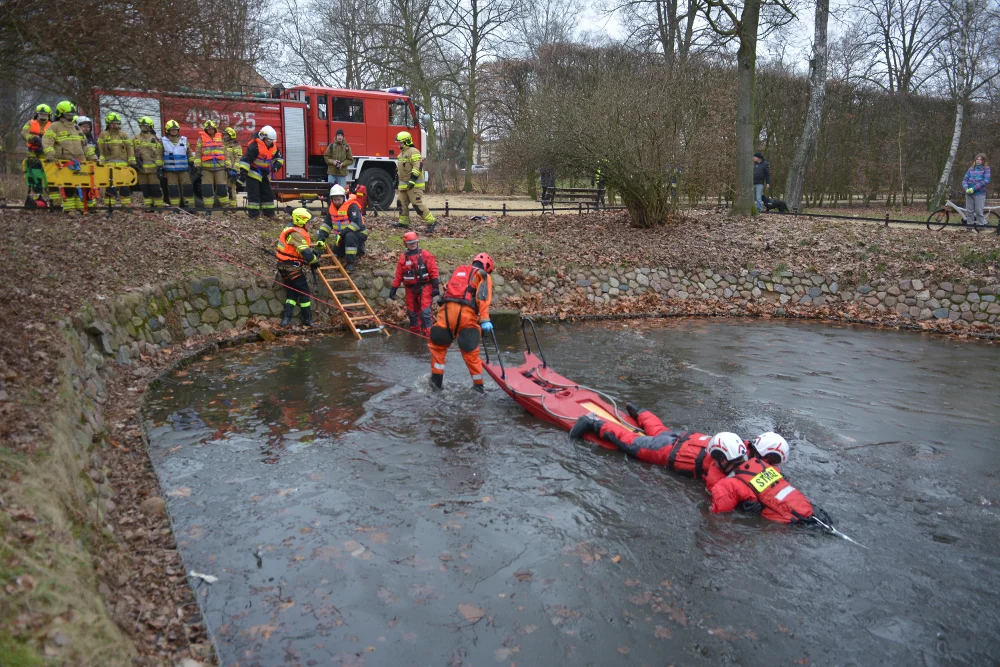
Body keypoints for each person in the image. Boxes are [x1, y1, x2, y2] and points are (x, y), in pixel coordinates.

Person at [570, 406, 727, 489]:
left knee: (661, 432)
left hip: (684, 439)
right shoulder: (726, 469)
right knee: (630, 442)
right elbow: (717, 489)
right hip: (668, 450)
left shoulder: (742, 446)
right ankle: (593, 422)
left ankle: (641, 412)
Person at [705, 436, 824, 525]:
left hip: (789, 523)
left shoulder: (725, 484)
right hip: (812, 511)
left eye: (715, 460)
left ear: (723, 460)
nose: (714, 463)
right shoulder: (764, 466)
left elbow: (717, 516)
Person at [428, 253, 494, 392]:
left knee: (438, 350)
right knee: (471, 355)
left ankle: (436, 385)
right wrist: (485, 319)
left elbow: (447, 289)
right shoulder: (483, 275)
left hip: (445, 315)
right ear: (487, 267)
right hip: (465, 317)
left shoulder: (460, 271)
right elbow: (482, 297)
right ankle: (479, 388)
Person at [42, 100, 97, 214]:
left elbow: (85, 145)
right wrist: (50, 154)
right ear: (60, 114)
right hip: (64, 162)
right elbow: (47, 142)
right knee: (69, 187)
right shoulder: (55, 127)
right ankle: (69, 209)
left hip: (81, 162)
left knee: (82, 186)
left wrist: (93, 157)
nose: (70, 117)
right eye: (68, 115)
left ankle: (82, 208)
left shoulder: (77, 128)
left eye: (72, 115)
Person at [276, 207, 321, 327]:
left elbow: (296, 250)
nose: (310, 225)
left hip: (284, 266)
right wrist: (315, 260)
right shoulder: (297, 234)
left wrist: (314, 252)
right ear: (301, 221)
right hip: (292, 268)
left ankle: (286, 320)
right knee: (304, 292)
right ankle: (308, 319)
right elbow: (306, 254)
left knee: (292, 293)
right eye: (309, 222)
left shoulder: (291, 229)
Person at [389, 231, 440, 336]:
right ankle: (415, 335)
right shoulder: (403, 258)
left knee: (425, 313)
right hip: (410, 289)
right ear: (405, 244)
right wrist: (393, 289)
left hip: (425, 287)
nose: (412, 244)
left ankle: (428, 336)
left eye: (414, 242)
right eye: (410, 243)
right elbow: (399, 275)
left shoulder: (425, 255)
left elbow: (433, 271)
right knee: (412, 313)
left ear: (417, 242)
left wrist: (435, 286)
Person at [317, 184, 368, 271]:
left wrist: (342, 234)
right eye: (334, 200)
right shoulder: (332, 209)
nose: (336, 202)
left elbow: (356, 225)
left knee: (350, 237)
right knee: (336, 252)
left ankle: (350, 263)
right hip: (342, 236)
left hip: (359, 233)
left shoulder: (352, 207)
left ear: (344, 197)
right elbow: (326, 225)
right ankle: (359, 249)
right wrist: (321, 238)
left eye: (338, 199)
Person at [393, 131, 435, 232]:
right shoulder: (401, 154)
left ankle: (431, 222)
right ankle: (403, 222)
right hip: (404, 186)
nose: (399, 144)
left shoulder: (414, 151)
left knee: (417, 204)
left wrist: (412, 180)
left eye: (400, 142)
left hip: (414, 185)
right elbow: (400, 170)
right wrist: (396, 180)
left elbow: (418, 166)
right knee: (401, 203)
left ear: (406, 142)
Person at [238, 125, 283, 219]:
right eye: (268, 141)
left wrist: (276, 166)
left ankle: (269, 214)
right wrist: (242, 175)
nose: (270, 143)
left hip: (265, 174)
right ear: (262, 137)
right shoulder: (254, 146)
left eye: (272, 141)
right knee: (254, 196)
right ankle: (254, 216)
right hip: (253, 173)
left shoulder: (273, 146)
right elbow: (246, 161)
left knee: (268, 195)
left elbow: (279, 158)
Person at [97, 112, 136, 208]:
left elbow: (129, 148)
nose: (115, 125)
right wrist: (101, 161)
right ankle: (110, 205)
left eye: (117, 123)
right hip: (109, 166)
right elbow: (100, 149)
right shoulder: (103, 135)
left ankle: (126, 205)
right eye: (113, 123)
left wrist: (131, 161)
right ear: (108, 124)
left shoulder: (124, 135)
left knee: (124, 186)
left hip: (123, 166)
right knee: (110, 186)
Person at [21, 103, 51, 208]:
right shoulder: (30, 123)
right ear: (37, 114)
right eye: (41, 114)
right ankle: (37, 198)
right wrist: (33, 138)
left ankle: (52, 199)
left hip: (47, 155)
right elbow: (24, 133)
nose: (43, 116)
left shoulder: (52, 125)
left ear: (49, 115)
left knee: (49, 178)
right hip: (33, 155)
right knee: (35, 177)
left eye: (45, 114)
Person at [196, 119, 230, 209]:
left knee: (222, 189)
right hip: (206, 169)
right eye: (208, 129)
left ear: (215, 129)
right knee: (207, 190)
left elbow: (226, 153)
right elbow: (198, 153)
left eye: (211, 128)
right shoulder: (201, 139)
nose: (210, 130)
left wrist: (228, 166)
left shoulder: (221, 138)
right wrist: (197, 166)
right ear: (205, 130)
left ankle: (225, 209)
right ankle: (208, 209)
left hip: (220, 168)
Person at [132, 116, 164, 210]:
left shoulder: (156, 139)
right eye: (142, 126)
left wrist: (159, 167)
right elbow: (131, 152)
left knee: (155, 188)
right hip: (141, 169)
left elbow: (159, 154)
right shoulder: (135, 139)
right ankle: (149, 207)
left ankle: (159, 207)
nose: (144, 128)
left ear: (150, 127)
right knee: (145, 188)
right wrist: (133, 164)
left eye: (146, 126)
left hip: (153, 170)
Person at [161, 119, 194, 208]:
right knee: (173, 188)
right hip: (170, 170)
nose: (174, 131)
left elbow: (189, 152)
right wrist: (160, 166)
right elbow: (159, 154)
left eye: (176, 129)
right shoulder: (163, 141)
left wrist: (192, 161)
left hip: (184, 169)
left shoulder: (184, 140)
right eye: (172, 129)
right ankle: (175, 206)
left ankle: (189, 206)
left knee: (187, 187)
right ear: (168, 131)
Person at [962, 154, 991, 226]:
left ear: (983, 161)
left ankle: (981, 227)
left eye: (980, 159)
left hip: (980, 193)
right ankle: (969, 227)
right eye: (977, 159)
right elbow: (965, 179)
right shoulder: (971, 168)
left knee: (979, 211)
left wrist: (974, 188)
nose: (978, 161)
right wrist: (966, 188)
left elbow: (985, 180)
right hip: (969, 193)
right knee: (969, 211)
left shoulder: (986, 168)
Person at [223, 126, 242, 209]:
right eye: (224, 135)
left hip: (232, 171)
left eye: (226, 135)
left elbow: (238, 159)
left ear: (231, 136)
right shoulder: (222, 144)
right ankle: (226, 207)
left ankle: (233, 208)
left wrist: (234, 170)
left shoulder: (236, 146)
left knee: (231, 190)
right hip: (223, 170)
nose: (224, 137)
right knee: (224, 190)